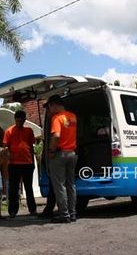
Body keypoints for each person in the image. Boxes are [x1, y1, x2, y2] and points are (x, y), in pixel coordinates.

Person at [45, 94, 78, 223]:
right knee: (71, 184)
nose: (49, 110)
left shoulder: (57, 118)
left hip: (60, 154)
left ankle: (64, 214)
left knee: (60, 185)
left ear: (54, 105)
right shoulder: (73, 116)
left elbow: (57, 135)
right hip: (72, 153)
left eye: (49, 107)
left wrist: (51, 150)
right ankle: (72, 213)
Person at [3, 110, 37, 218]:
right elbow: (5, 146)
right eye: (18, 121)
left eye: (21, 121)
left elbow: (31, 146)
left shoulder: (29, 131)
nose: (19, 123)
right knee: (13, 188)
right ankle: (12, 211)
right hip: (14, 164)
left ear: (24, 120)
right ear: (15, 119)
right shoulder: (9, 131)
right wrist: (8, 157)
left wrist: (32, 161)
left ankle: (32, 209)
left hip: (27, 163)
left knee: (29, 187)